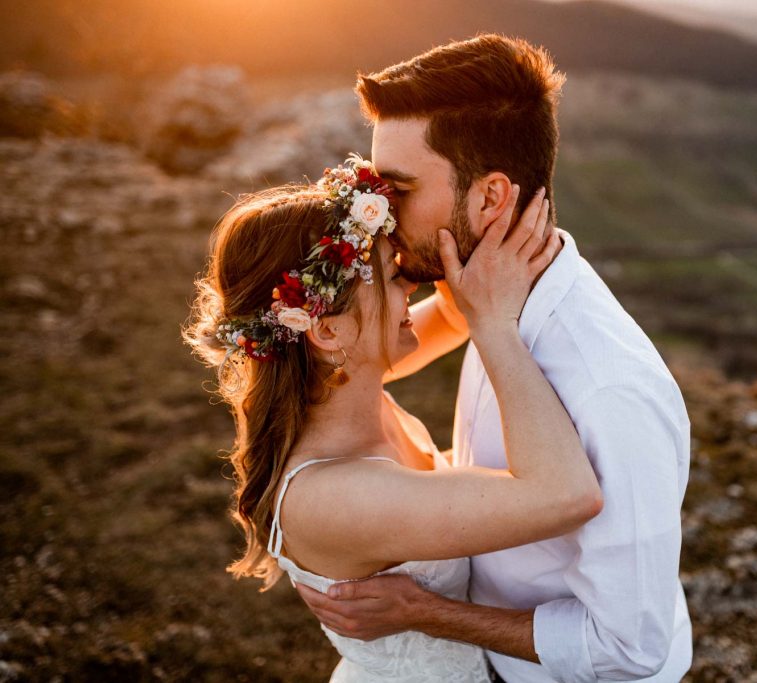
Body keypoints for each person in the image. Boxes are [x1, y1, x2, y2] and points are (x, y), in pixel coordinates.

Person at [297, 35, 694, 682]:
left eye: (397, 189)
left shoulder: (607, 390)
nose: (376, 218)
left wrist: (424, 610)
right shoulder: (482, 301)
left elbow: (627, 649)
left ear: (490, 199)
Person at [184, 158, 604, 682]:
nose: (410, 285)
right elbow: (567, 495)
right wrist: (495, 326)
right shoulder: (332, 495)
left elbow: (452, 313)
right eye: (391, 275)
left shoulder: (337, 383)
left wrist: (448, 220)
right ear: (328, 331)